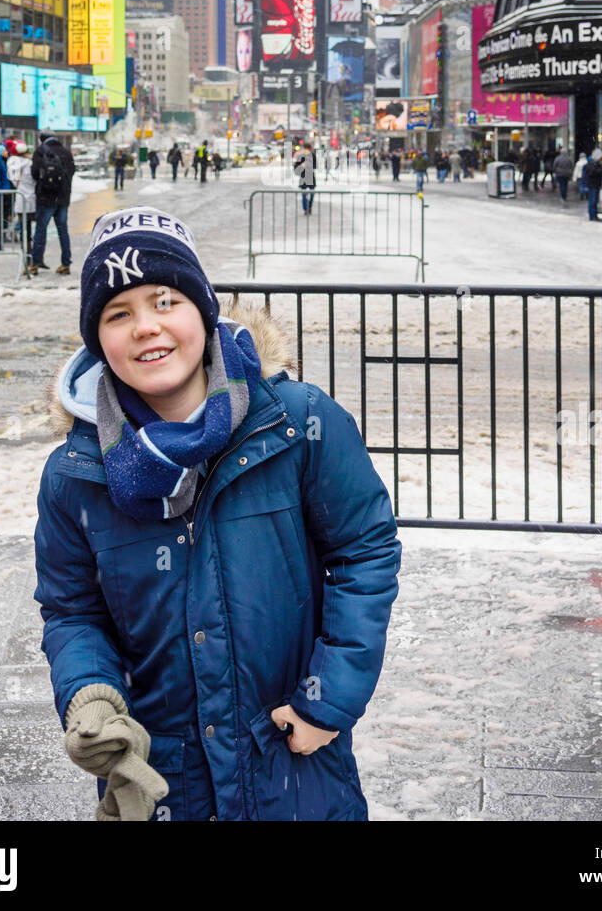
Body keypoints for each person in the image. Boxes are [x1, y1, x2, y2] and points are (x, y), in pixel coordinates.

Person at [34, 209, 401, 820]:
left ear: (202, 310)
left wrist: (327, 699)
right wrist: (90, 698)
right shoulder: (75, 472)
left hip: (291, 758)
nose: (147, 328)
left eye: (165, 300)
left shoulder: (295, 422)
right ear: (97, 338)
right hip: (165, 775)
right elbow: (72, 610)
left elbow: (364, 550)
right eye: (118, 314)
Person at [29, 131, 75, 276]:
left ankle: (35, 263)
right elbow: (72, 171)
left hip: (45, 198)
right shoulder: (66, 152)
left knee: (41, 230)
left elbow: (34, 173)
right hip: (63, 198)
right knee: (63, 231)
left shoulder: (40, 151)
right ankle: (66, 263)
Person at [7, 139, 36, 261]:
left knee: (24, 232)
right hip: (33, 201)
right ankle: (33, 256)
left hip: (20, 201)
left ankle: (26, 256)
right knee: (32, 231)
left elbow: (13, 182)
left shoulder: (13, 163)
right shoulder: (31, 163)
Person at [293, 142, 316, 214]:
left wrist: (309, 165)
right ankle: (306, 209)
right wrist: (301, 166)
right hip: (303, 177)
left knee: (312, 194)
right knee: (304, 194)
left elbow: (315, 166)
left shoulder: (312, 155)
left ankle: (309, 207)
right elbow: (296, 167)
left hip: (311, 177)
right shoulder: (300, 156)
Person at [583, 148, 602, 222]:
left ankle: (594, 215)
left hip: (595, 184)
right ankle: (592, 216)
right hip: (593, 185)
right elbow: (593, 173)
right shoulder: (592, 163)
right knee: (592, 201)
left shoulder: (594, 163)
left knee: (594, 201)